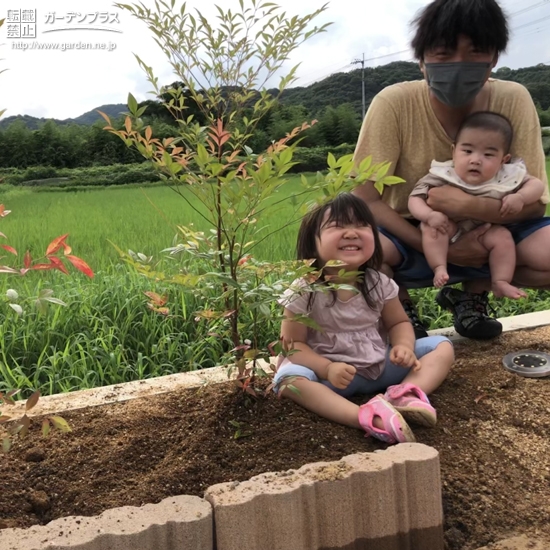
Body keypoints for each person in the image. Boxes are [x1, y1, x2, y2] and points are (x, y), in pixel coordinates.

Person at [352, 0, 550, 340]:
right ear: (421, 60)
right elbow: (365, 199)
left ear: (494, 60)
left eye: (475, 52)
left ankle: (471, 294)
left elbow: (536, 202)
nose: (459, 64)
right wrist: (443, 245)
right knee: (353, 254)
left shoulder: (513, 99)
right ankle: (399, 311)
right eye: (443, 53)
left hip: (495, 227)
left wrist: (468, 206)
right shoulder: (394, 103)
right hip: (412, 228)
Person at [274, 193, 454, 444]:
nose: (351, 233)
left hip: (378, 365)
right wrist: (327, 368)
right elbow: (292, 346)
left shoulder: (378, 283)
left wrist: (402, 346)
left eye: (361, 225)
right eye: (337, 226)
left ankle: (404, 395)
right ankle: (364, 416)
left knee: (441, 346)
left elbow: (399, 323)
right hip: (331, 378)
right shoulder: (304, 290)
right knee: (288, 380)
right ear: (312, 244)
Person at [409, 111, 545, 299]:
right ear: (453, 151)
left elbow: (537, 185)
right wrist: (428, 215)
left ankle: (500, 281)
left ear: (503, 160)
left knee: (502, 237)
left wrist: (520, 197)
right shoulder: (443, 174)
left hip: (486, 230)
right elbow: (415, 198)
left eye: (488, 154)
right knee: (431, 228)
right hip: (449, 228)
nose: (475, 160)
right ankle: (439, 267)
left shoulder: (507, 174)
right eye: (467, 151)